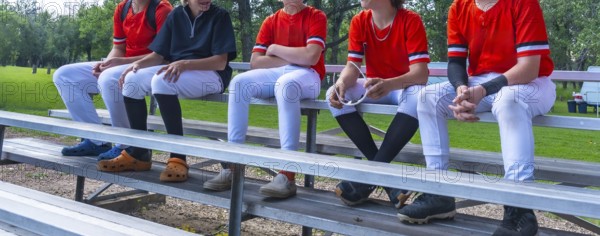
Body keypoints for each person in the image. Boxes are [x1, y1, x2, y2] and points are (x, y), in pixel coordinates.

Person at [398, 0, 555, 234]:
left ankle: (519, 207)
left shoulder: (523, 3)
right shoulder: (459, 7)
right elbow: (456, 63)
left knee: (508, 100)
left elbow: (530, 67)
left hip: (531, 83)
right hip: (481, 83)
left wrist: (483, 90)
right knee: (426, 97)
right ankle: (437, 190)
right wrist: (461, 88)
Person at [96, 0, 237, 183]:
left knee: (162, 81)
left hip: (212, 76)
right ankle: (139, 152)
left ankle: (178, 157)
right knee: (132, 80)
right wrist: (135, 65)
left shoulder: (220, 16)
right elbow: (158, 55)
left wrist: (184, 64)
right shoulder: (176, 15)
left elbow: (220, 62)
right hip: (179, 71)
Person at [202, 0, 327, 198]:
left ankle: (287, 173)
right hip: (278, 73)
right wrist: (296, 56)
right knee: (239, 83)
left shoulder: (316, 16)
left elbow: (311, 58)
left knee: (285, 85)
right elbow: (256, 62)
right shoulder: (271, 20)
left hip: (308, 76)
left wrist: (276, 48)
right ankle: (233, 164)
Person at [326, 0, 429, 208]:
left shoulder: (410, 20)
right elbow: (352, 68)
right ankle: (389, 182)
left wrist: (390, 84)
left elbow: (421, 74)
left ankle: (367, 179)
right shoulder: (359, 21)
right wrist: (341, 82)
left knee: (420, 96)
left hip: (402, 85)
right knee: (333, 93)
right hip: (375, 84)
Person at [53, 0, 172, 160]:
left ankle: (127, 144)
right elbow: (118, 48)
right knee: (64, 75)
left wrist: (117, 65)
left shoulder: (161, 9)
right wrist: (105, 64)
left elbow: (163, 56)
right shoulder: (122, 9)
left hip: (152, 67)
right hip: (123, 65)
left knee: (108, 78)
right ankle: (97, 141)